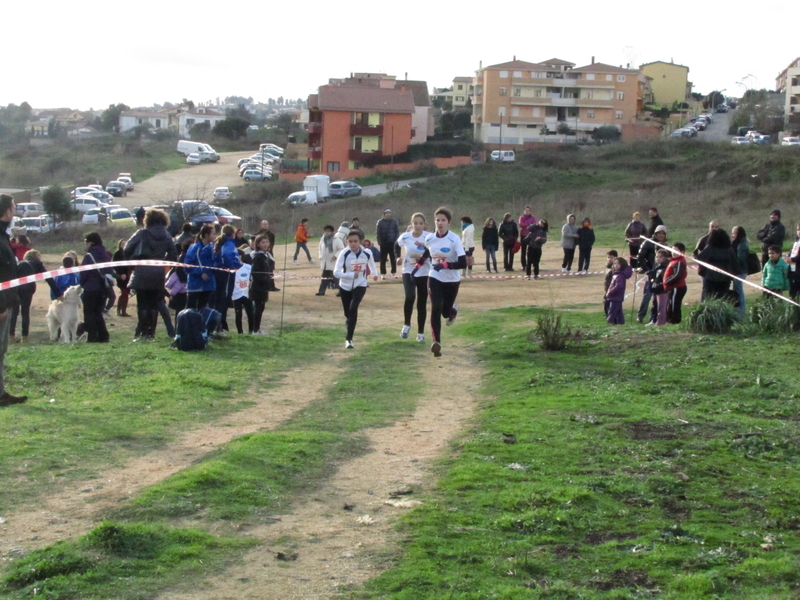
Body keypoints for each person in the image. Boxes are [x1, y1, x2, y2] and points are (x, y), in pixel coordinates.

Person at [414, 207, 466, 358]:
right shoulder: (430, 239)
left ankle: (452, 312)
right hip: (435, 277)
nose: (440, 223)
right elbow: (426, 253)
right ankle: (437, 342)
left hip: (452, 280)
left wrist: (445, 265)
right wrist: (417, 267)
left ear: (449, 223)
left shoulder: (454, 239)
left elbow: (463, 263)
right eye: (437, 220)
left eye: (443, 220)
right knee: (436, 308)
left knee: (445, 312)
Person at [123, 208, 178, 340]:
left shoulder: (142, 233)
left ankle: (142, 333)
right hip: (158, 272)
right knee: (154, 304)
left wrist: (133, 262)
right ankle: (150, 334)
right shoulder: (166, 235)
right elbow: (173, 254)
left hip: (142, 271)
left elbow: (127, 248)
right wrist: (164, 264)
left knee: (142, 304)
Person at [0, 194, 26, 406]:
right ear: (7, 212)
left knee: (2, 350)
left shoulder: (3, 236)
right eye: (14, 208)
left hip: (6, 301)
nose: (15, 212)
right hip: (0, 304)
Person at [333, 229, 378, 349]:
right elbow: (336, 273)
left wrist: (375, 274)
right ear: (347, 242)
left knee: (353, 309)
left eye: (355, 241)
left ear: (361, 242)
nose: (353, 244)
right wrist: (350, 275)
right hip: (345, 286)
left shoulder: (367, 252)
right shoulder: (344, 253)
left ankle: (349, 339)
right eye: (350, 241)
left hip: (360, 284)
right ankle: (349, 321)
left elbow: (372, 264)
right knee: (348, 313)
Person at [10, 250, 59, 343]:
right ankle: (24, 337)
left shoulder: (19, 263)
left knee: (14, 312)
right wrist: (58, 293)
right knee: (25, 312)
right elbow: (48, 278)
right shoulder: (37, 263)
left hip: (16, 289)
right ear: (36, 256)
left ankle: (11, 336)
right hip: (27, 289)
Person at [397, 212, 430, 342]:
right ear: (411, 224)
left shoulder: (429, 237)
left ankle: (420, 333)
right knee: (410, 297)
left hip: (424, 272)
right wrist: (398, 257)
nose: (417, 226)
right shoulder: (405, 237)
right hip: (408, 271)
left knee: (422, 302)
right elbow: (396, 245)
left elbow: (433, 250)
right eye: (415, 223)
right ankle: (406, 325)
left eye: (420, 223)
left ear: (424, 225)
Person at [80, 232, 111, 343]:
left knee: (89, 313)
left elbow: (83, 273)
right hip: (103, 288)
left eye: (86, 242)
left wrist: (82, 284)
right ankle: (103, 336)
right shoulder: (105, 255)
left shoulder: (89, 256)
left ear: (91, 243)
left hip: (90, 288)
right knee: (98, 313)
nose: (85, 244)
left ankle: (92, 337)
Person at [211, 224, 242, 333]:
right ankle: (218, 327)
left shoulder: (220, 242)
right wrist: (232, 267)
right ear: (232, 234)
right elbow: (227, 255)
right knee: (223, 300)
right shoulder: (229, 243)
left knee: (220, 299)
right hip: (226, 274)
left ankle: (219, 326)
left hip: (219, 273)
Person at [637, 225, 668, 323]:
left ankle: (653, 317)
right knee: (647, 295)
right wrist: (646, 269)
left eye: (663, 233)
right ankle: (640, 315)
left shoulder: (665, 245)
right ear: (655, 233)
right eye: (659, 233)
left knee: (657, 298)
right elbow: (640, 257)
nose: (661, 235)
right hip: (651, 272)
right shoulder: (648, 242)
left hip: (661, 274)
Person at [697, 228, 737, 301]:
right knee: (722, 299)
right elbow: (734, 262)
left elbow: (699, 258)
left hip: (710, 278)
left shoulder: (709, 248)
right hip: (725, 279)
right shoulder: (728, 249)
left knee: (708, 299)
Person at [185, 225, 216, 311]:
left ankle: (202, 324)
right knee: (191, 311)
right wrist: (200, 273)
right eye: (213, 234)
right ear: (206, 235)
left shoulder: (213, 248)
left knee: (204, 311)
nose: (215, 236)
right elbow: (187, 266)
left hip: (209, 285)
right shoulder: (194, 248)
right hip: (195, 286)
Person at [250, 235, 274, 335]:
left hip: (264, 286)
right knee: (258, 308)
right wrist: (264, 279)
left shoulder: (267, 255)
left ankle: (257, 329)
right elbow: (254, 273)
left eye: (266, 242)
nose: (265, 244)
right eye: (262, 242)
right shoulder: (258, 256)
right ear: (258, 244)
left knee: (261, 308)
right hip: (258, 287)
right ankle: (254, 330)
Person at [316, 225, 344, 296]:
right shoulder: (323, 239)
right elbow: (320, 248)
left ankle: (342, 292)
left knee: (336, 278)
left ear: (332, 232)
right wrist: (320, 256)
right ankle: (321, 291)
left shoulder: (337, 239)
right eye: (325, 231)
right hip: (325, 262)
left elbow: (341, 249)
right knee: (324, 278)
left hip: (333, 262)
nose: (327, 232)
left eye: (328, 231)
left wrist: (336, 256)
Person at [664, 243, 688, 324]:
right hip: (673, 287)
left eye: (676, 250)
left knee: (675, 304)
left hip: (677, 287)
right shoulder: (674, 261)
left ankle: (675, 320)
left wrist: (666, 281)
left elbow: (677, 275)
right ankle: (670, 319)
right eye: (672, 250)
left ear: (682, 252)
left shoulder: (680, 262)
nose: (673, 252)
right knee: (671, 303)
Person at [604, 257, 633, 325]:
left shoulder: (619, 276)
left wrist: (610, 292)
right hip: (616, 297)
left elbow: (619, 286)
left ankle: (609, 322)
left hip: (615, 297)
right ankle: (621, 323)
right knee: (619, 311)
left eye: (618, 263)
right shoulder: (616, 274)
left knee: (612, 311)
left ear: (622, 265)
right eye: (615, 263)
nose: (616, 265)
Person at [731, 226, 750, 314]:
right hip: (737, 271)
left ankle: (741, 312)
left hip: (740, 271)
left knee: (739, 291)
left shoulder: (741, 244)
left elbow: (741, 259)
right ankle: (737, 311)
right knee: (736, 290)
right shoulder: (736, 243)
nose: (732, 235)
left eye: (734, 233)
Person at [376, 209, 400, 278]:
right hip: (383, 243)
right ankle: (383, 274)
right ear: (384, 214)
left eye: (390, 213)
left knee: (393, 258)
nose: (388, 214)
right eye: (387, 213)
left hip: (392, 242)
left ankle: (393, 273)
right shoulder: (380, 222)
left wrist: (396, 241)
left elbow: (397, 231)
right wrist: (379, 242)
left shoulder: (394, 222)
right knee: (383, 259)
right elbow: (378, 233)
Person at [648, 250, 670, 326]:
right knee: (655, 305)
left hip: (662, 290)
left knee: (661, 307)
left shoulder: (665, 267)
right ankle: (654, 320)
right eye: (657, 256)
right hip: (656, 288)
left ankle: (661, 322)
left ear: (665, 258)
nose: (658, 258)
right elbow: (655, 276)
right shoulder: (657, 265)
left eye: (660, 257)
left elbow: (665, 279)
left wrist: (660, 285)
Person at [113, 239, 132, 316]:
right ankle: (118, 310)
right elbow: (115, 265)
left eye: (125, 244)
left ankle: (123, 310)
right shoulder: (117, 254)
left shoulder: (128, 253)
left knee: (126, 293)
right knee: (124, 292)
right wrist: (121, 274)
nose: (124, 246)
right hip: (121, 276)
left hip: (128, 276)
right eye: (122, 244)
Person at [786, 223, 800, 300]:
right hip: (792, 270)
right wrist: (788, 257)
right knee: (792, 292)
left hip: (798, 271)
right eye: (798, 229)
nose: (799, 231)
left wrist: (793, 259)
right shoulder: (796, 241)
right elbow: (792, 252)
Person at [603, 250, 619, 316]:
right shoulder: (607, 266)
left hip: (612, 289)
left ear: (615, 258)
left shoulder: (616, 267)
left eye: (611, 257)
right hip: (607, 289)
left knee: (609, 304)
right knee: (606, 304)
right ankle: (609, 316)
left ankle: (612, 317)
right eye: (608, 257)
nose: (609, 259)